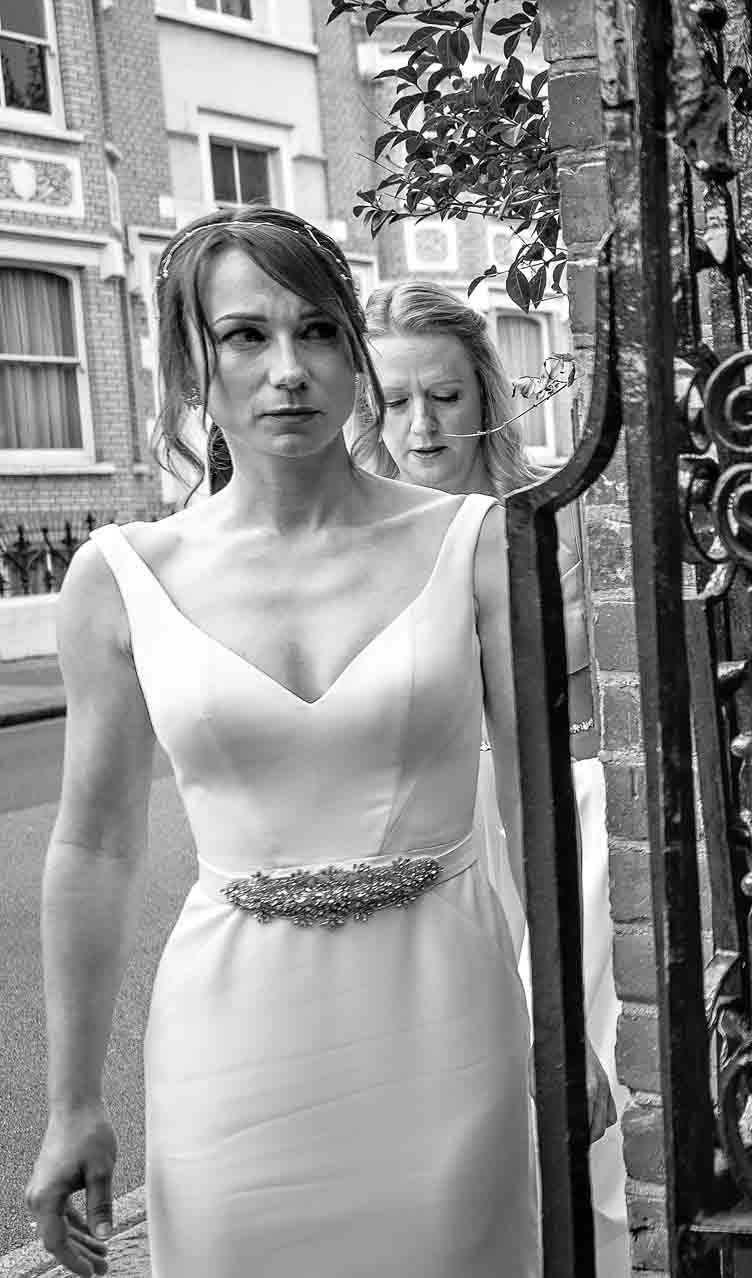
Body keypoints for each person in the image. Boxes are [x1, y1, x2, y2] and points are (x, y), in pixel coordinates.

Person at [20, 208, 596, 1278]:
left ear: (351, 353)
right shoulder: (119, 575)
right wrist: (71, 1105)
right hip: (231, 1038)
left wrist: (561, 1024)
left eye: (318, 331)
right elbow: (93, 848)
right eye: (246, 336)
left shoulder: (474, 544)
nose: (289, 369)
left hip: (447, 1015)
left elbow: (530, 797)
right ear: (191, 362)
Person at [356, 279, 630, 1278]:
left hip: (549, 827)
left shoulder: (547, 523)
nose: (420, 425)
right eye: (392, 401)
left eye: (445, 396)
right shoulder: (348, 544)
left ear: (484, 396)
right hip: (414, 849)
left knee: (562, 1102)